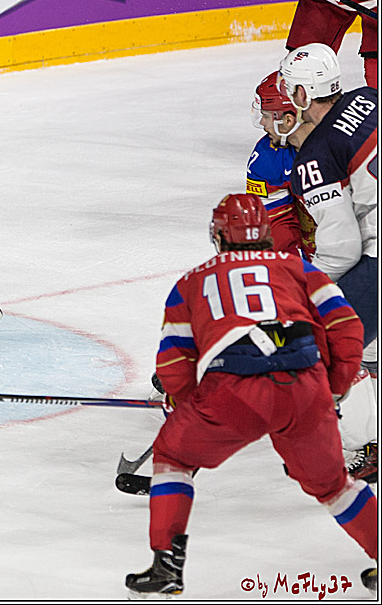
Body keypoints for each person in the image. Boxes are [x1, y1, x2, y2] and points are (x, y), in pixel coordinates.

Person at [125, 193, 377, 597]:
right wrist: (332, 386)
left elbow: (174, 365)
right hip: (306, 387)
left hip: (232, 393)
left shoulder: (191, 282)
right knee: (333, 486)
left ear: (219, 236)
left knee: (173, 458)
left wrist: (187, 405)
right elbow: (347, 327)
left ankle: (166, 566)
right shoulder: (301, 269)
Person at [278, 42, 378, 482]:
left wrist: (309, 289)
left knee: (330, 343)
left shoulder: (315, 153)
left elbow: (342, 249)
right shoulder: (370, 98)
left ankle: (363, 446)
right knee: (368, 338)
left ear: (302, 97)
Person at [246, 71, 316, 258]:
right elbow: (274, 224)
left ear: (288, 120)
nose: (262, 123)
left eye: (266, 116)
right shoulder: (266, 156)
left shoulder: (347, 142)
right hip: (323, 258)